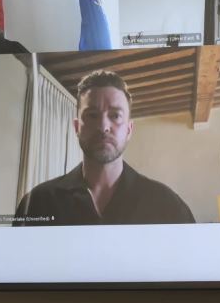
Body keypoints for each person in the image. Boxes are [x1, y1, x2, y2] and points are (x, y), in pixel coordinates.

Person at [13, 70, 195, 226]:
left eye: (115, 115)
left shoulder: (167, 205)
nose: (103, 126)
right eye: (92, 115)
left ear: (129, 130)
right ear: (77, 127)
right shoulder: (38, 203)